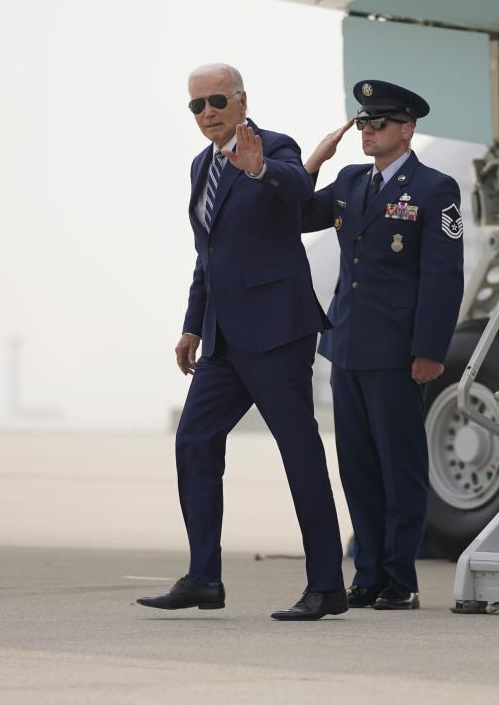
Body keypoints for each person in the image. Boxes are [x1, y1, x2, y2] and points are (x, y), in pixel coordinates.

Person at [136, 63, 347, 621]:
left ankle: (326, 586)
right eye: (197, 105)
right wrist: (191, 324)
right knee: (194, 440)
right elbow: (209, 255)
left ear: (241, 101)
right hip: (223, 340)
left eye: (217, 102)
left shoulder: (273, 147)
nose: (207, 113)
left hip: (278, 331)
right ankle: (204, 576)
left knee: (299, 453)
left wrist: (259, 171)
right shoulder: (199, 166)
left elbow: (301, 194)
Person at [302, 80, 464, 611]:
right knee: (358, 467)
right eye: (363, 123)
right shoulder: (351, 180)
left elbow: (443, 278)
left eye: (379, 123)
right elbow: (300, 216)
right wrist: (314, 163)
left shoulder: (435, 189)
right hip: (347, 345)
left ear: (407, 128)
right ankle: (367, 572)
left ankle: (400, 579)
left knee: (400, 466)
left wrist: (430, 350)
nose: (367, 132)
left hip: (397, 352)